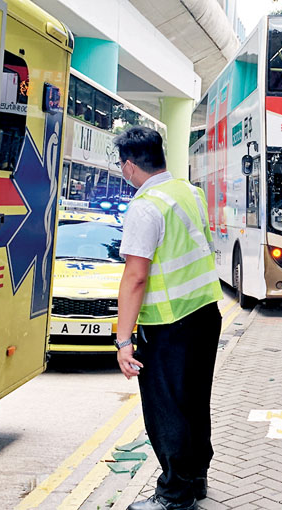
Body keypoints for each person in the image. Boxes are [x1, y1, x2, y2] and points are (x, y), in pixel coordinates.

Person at [113, 127, 223, 510]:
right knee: (194, 402)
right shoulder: (190, 193)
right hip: (205, 314)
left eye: (121, 165)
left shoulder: (145, 207)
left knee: (167, 409)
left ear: (129, 166)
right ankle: (196, 479)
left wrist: (123, 340)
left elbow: (135, 276)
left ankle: (175, 494)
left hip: (168, 325)